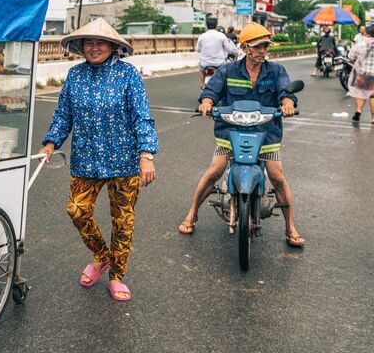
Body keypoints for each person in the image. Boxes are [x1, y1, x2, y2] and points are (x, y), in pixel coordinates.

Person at [39, 18, 158, 302]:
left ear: (113, 46)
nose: (93, 48)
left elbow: (142, 116)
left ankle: (116, 275)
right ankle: (101, 256)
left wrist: (146, 155)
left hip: (124, 161)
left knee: (122, 221)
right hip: (86, 160)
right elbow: (63, 114)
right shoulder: (75, 75)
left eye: (99, 42)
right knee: (76, 210)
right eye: (88, 43)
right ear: (81, 47)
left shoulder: (128, 75)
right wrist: (50, 143)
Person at [178, 22, 306, 247]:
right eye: (257, 47)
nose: (262, 51)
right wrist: (206, 103)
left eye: (265, 46)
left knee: (277, 177)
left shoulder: (275, 70)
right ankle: (192, 214)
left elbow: (286, 91)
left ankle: (290, 227)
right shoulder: (228, 70)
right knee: (214, 171)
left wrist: (287, 103)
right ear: (245, 48)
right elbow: (211, 91)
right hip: (230, 133)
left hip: (266, 134)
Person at [196, 17, 240, 89]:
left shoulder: (202, 36)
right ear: (216, 26)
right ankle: (226, 86)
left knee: (200, 69)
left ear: (206, 25)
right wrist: (236, 52)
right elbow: (229, 49)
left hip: (205, 63)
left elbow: (197, 49)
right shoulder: (221, 36)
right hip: (219, 63)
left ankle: (203, 84)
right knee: (229, 70)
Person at [347, 24, 374, 123]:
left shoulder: (361, 43)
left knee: (360, 93)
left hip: (362, 73)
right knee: (373, 96)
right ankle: (373, 118)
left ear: (368, 34)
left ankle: (358, 111)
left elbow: (351, 56)